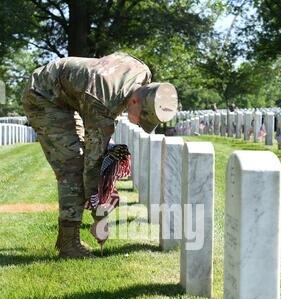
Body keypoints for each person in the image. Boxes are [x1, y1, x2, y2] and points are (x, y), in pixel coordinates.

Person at [22, 52, 178, 258]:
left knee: (83, 156)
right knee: (72, 166)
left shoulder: (143, 73)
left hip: (71, 94)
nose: (140, 124)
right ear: (133, 101)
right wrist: (99, 211)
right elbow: (92, 163)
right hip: (43, 96)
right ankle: (69, 245)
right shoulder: (102, 103)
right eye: (142, 119)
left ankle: (66, 238)